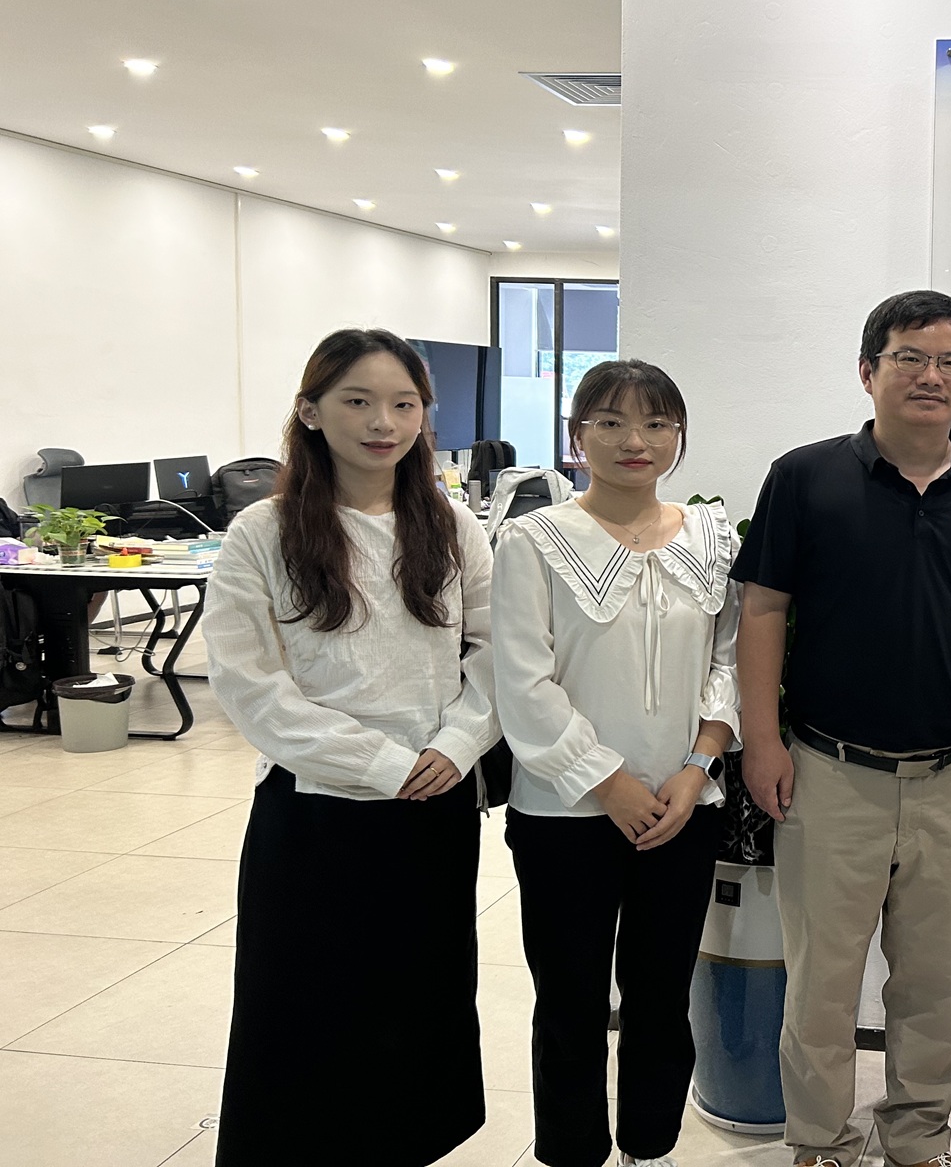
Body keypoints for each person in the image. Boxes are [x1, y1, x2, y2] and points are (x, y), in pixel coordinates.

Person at [733, 290, 951, 1167]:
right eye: (910, 357)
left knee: (937, 984)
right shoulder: (806, 476)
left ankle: (918, 1138)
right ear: (868, 370)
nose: (931, 375)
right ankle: (821, 1142)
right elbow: (762, 608)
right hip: (830, 770)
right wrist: (762, 739)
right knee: (823, 985)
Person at [203, 328, 497, 1167]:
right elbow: (250, 685)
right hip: (314, 814)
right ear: (311, 411)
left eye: (404, 404)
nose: (383, 423)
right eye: (358, 401)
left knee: (420, 1003)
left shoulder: (452, 526)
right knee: (302, 1009)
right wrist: (381, 764)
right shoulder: (263, 531)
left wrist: (459, 742)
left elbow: (497, 655)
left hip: (434, 805)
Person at [492, 359, 740, 1167]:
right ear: (578, 437)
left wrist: (698, 767)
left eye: (657, 423)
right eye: (611, 422)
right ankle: (571, 1151)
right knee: (569, 998)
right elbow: (522, 681)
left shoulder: (713, 537)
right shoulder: (533, 540)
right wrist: (608, 781)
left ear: (678, 435)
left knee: (662, 994)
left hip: (683, 806)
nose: (637, 440)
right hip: (564, 811)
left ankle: (650, 1147)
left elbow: (730, 661)